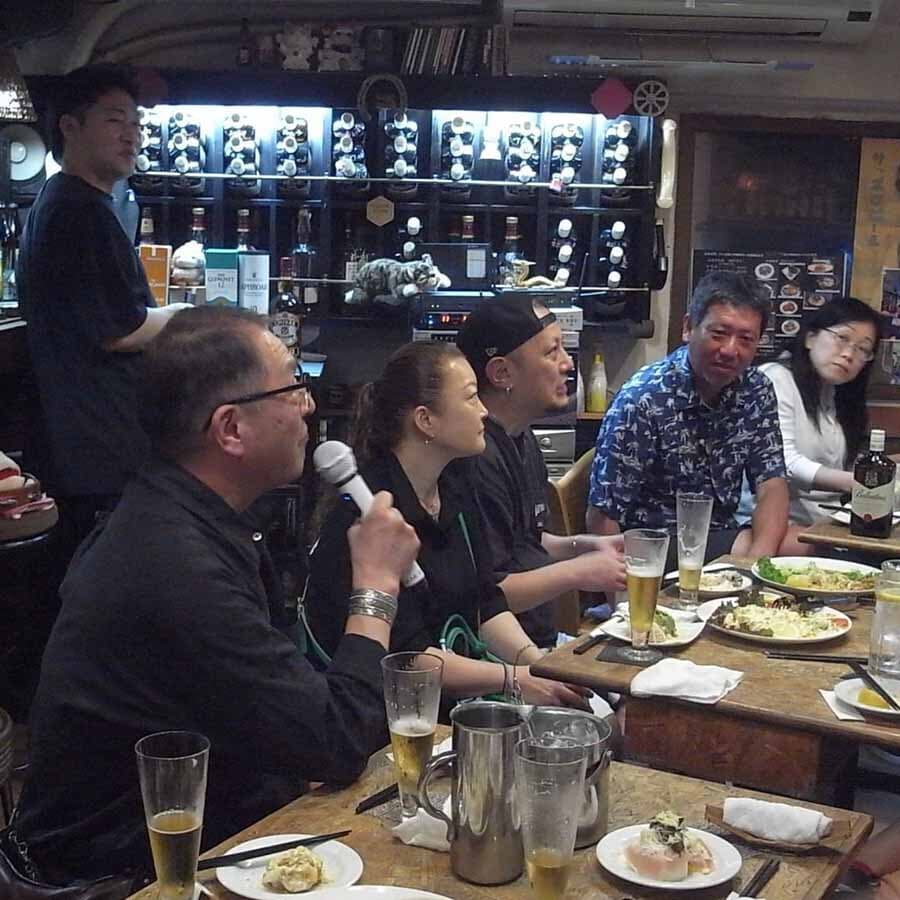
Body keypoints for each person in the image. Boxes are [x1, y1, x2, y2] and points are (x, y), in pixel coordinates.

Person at [10, 308, 420, 889]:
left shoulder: (185, 515)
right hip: (125, 879)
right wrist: (375, 587)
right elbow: (337, 739)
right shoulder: (174, 564)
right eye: (292, 385)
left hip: (216, 834)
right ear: (231, 429)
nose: (308, 405)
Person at [305, 341, 590, 708]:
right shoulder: (368, 517)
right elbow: (408, 657)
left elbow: (486, 603)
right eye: (471, 398)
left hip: (451, 698)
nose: (484, 411)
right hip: (387, 711)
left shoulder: (457, 482)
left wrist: (538, 667)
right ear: (426, 420)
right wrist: (515, 679)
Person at [17, 64, 192, 549]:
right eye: (115, 120)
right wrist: (186, 317)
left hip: (81, 441)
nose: (131, 135)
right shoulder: (80, 212)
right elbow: (121, 330)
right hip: (96, 446)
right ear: (70, 127)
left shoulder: (68, 201)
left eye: (136, 123)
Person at [455, 294, 626, 647]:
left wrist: (585, 546)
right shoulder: (476, 456)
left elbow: (526, 541)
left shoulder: (520, 436)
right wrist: (578, 572)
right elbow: (487, 596)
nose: (568, 364)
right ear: (502, 373)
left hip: (542, 640)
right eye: (552, 352)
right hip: (503, 654)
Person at [587, 271, 790, 563]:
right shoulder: (643, 399)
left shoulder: (756, 389)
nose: (730, 350)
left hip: (722, 535)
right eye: (718, 334)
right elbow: (602, 515)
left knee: (800, 547)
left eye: (746, 339)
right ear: (688, 328)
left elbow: (771, 483)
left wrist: (756, 565)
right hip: (653, 548)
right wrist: (625, 588)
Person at [735, 297, 881, 556]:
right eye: (842, 338)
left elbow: (838, 464)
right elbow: (784, 462)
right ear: (810, 338)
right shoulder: (774, 378)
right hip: (770, 526)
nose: (849, 354)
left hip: (824, 522)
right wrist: (855, 482)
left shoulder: (835, 395)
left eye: (863, 349)